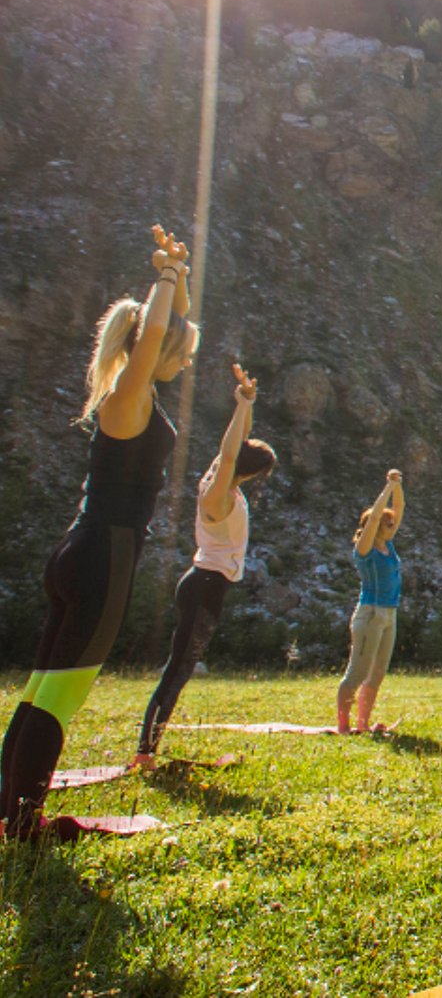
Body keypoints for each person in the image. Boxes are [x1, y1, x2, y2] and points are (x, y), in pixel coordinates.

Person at [1, 227, 196, 838]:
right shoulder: (131, 395)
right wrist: (163, 278)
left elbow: (170, 331)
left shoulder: (130, 395)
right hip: (104, 554)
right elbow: (160, 336)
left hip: (80, 547)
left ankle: (11, 811)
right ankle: (27, 827)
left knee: (38, 689)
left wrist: (180, 278)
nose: (187, 359)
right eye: (180, 350)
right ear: (155, 349)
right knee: (58, 699)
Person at [134, 364, 275, 768]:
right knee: (177, 671)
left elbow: (234, 445)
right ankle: (145, 753)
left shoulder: (220, 481)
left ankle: (147, 749)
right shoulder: (218, 493)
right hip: (205, 587)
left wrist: (246, 404)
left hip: (205, 584)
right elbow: (233, 449)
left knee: (180, 668)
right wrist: (242, 405)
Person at [339, 469, 404, 735]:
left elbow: (398, 508)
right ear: (376, 526)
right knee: (357, 671)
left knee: (376, 672)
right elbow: (378, 514)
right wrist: (387, 488)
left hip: (389, 614)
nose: (393, 525)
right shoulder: (365, 550)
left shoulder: (389, 545)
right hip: (371, 613)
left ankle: (362, 725)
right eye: (388, 524)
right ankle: (343, 726)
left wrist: (397, 485)